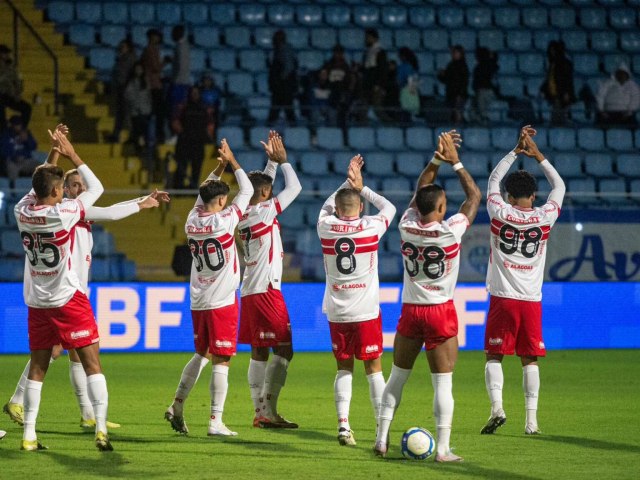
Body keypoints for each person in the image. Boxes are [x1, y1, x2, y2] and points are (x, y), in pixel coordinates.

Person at [4, 124, 169, 431]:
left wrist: (141, 203)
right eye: (74, 185)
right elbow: (105, 208)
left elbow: (108, 210)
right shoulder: (68, 212)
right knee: (70, 353)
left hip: (68, 291)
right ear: (63, 189)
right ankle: (34, 402)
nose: (79, 189)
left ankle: (84, 414)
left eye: (81, 185)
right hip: (63, 293)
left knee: (68, 354)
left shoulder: (57, 210)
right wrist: (70, 155)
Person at [373, 131, 481, 463]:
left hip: (411, 311)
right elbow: (474, 196)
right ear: (442, 206)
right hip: (440, 311)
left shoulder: (406, 224)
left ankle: (380, 439)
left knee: (397, 378)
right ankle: (444, 450)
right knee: (442, 384)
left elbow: (422, 187)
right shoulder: (451, 231)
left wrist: (435, 159)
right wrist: (456, 162)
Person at [14, 130, 111, 451]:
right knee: (91, 363)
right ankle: (100, 429)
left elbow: (36, 188)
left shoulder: (22, 211)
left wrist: (53, 156)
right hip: (68, 298)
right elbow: (97, 188)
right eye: (60, 190)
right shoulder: (64, 212)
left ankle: (29, 436)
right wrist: (71, 154)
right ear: (57, 191)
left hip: (37, 302)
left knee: (38, 370)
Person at [165, 139, 253, 436]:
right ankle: (215, 421)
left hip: (199, 299)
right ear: (219, 202)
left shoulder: (192, 220)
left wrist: (220, 167)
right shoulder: (226, 220)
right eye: (224, 199)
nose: (227, 202)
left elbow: (205, 190)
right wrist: (234, 161)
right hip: (222, 300)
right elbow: (249, 190)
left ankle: (177, 403)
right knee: (222, 359)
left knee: (201, 352)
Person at [481, 126, 565, 436]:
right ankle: (531, 422)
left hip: (503, 297)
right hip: (531, 299)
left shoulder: (498, 210)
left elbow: (492, 180)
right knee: (530, 358)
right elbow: (559, 185)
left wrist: (515, 151)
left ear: (507, 195)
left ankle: (497, 408)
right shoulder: (545, 216)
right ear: (533, 196)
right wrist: (538, 155)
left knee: (494, 355)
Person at [317, 154, 396, 446]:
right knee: (373, 369)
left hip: (337, 312)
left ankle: (343, 426)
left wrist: (345, 181)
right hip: (365, 311)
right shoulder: (371, 227)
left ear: (336, 209)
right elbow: (390, 207)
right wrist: (360, 186)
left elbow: (326, 206)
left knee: (343, 368)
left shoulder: (324, 226)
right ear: (361, 207)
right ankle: (381, 428)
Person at [238, 131, 302, 428]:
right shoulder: (265, 210)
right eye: (269, 189)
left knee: (259, 349)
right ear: (264, 193)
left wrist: (271, 163)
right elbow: (295, 188)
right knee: (285, 348)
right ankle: (268, 410)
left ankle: (259, 411)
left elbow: (261, 184)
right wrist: (284, 162)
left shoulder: (244, 211)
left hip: (250, 287)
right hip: (266, 290)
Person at [173, 86, 212, 189]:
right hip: (184, 141)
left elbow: (210, 124)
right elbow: (175, 121)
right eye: (192, 92)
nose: (194, 95)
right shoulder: (183, 107)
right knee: (182, 166)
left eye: (196, 92)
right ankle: (178, 188)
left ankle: (193, 187)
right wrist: (183, 133)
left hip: (198, 142)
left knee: (197, 167)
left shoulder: (204, 108)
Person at [108, 39, 136, 143]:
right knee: (120, 114)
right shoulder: (121, 58)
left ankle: (132, 136)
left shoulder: (130, 58)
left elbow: (128, 74)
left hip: (126, 89)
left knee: (127, 114)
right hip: (120, 88)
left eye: (123, 46)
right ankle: (116, 134)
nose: (121, 48)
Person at [140, 29, 165, 143]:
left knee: (155, 113)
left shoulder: (151, 50)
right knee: (156, 112)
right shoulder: (150, 50)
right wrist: (165, 62)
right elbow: (156, 67)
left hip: (154, 84)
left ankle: (152, 136)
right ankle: (155, 136)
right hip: (153, 85)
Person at [540, 41, 574, 126]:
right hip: (554, 96)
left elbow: (567, 79)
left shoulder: (565, 63)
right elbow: (550, 79)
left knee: (559, 119)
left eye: (554, 50)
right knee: (555, 119)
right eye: (551, 51)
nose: (552, 53)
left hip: (561, 95)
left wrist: (566, 93)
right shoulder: (552, 64)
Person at [267, 30, 297, 124]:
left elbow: (289, 67)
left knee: (284, 107)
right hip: (280, 86)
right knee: (283, 107)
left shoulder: (285, 49)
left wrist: (280, 80)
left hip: (284, 86)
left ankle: (293, 127)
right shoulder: (279, 50)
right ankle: (292, 126)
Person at [0, 44, 32, 130]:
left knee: (26, 108)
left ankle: (20, 130)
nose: (7, 56)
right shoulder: (6, 69)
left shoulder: (11, 67)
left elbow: (18, 81)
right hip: (1, 95)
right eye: (4, 53)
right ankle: (3, 131)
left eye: (7, 53)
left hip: (9, 95)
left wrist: (18, 93)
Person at [361, 29, 390, 122]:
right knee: (363, 109)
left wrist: (379, 85)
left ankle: (391, 126)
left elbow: (383, 70)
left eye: (368, 38)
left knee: (377, 108)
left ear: (374, 38)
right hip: (367, 85)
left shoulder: (380, 52)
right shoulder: (367, 52)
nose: (366, 40)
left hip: (376, 86)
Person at [0, 115, 39, 180]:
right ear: (11, 125)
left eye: (19, 124)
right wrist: (14, 156)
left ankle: (39, 188)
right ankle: (13, 189)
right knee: (12, 169)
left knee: (42, 168)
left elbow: (34, 147)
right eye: (16, 124)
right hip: (12, 161)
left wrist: (27, 140)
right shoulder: (6, 134)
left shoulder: (25, 133)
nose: (18, 126)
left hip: (25, 160)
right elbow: (3, 151)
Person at [437, 45, 469, 124]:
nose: (453, 54)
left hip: (458, 95)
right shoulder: (450, 65)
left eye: (456, 52)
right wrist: (441, 75)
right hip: (450, 94)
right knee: (452, 114)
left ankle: (460, 130)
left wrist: (460, 95)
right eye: (453, 52)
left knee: (457, 113)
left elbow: (464, 82)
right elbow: (446, 80)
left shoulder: (463, 66)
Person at [168, 25, 191, 123]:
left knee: (178, 107)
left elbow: (182, 65)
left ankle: (178, 131)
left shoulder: (182, 46)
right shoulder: (181, 45)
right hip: (181, 81)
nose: (172, 35)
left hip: (180, 83)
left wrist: (175, 80)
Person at [470, 47, 498, 125]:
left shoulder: (487, 65)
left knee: (482, 109)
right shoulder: (482, 66)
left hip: (485, 91)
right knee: (476, 107)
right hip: (482, 91)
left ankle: (484, 120)